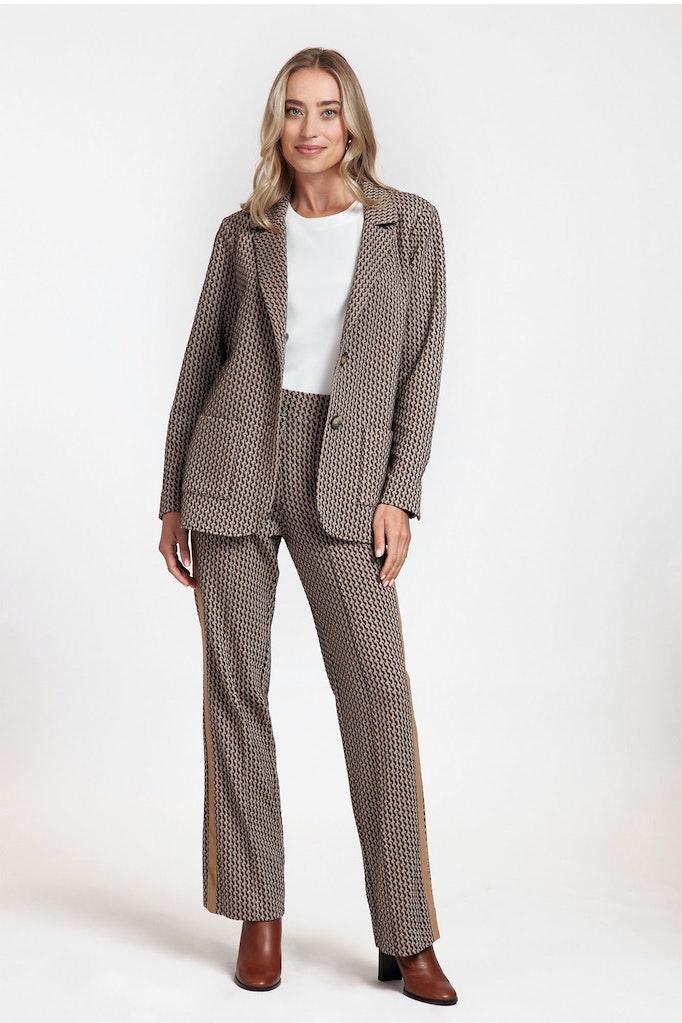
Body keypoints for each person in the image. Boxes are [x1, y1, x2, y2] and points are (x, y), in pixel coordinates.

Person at [158, 46, 457, 1007]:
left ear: (352, 121)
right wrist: (172, 495)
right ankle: (259, 914)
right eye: (294, 110)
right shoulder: (243, 233)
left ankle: (406, 930)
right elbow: (199, 364)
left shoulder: (410, 226)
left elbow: (422, 372)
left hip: (349, 474)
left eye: (327, 110)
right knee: (237, 689)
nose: (311, 128)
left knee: (377, 694)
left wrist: (399, 492)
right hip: (234, 464)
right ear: (277, 125)